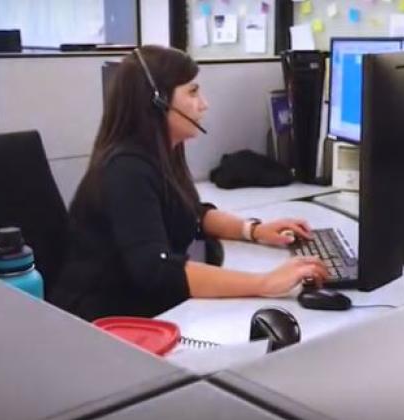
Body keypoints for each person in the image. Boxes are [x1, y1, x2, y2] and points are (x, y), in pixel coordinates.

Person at [51, 45, 328, 321]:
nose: (204, 104)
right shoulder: (127, 169)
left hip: (136, 311)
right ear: (158, 101)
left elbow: (191, 212)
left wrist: (254, 230)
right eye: (192, 92)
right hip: (100, 325)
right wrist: (264, 283)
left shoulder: (161, 151)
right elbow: (157, 269)